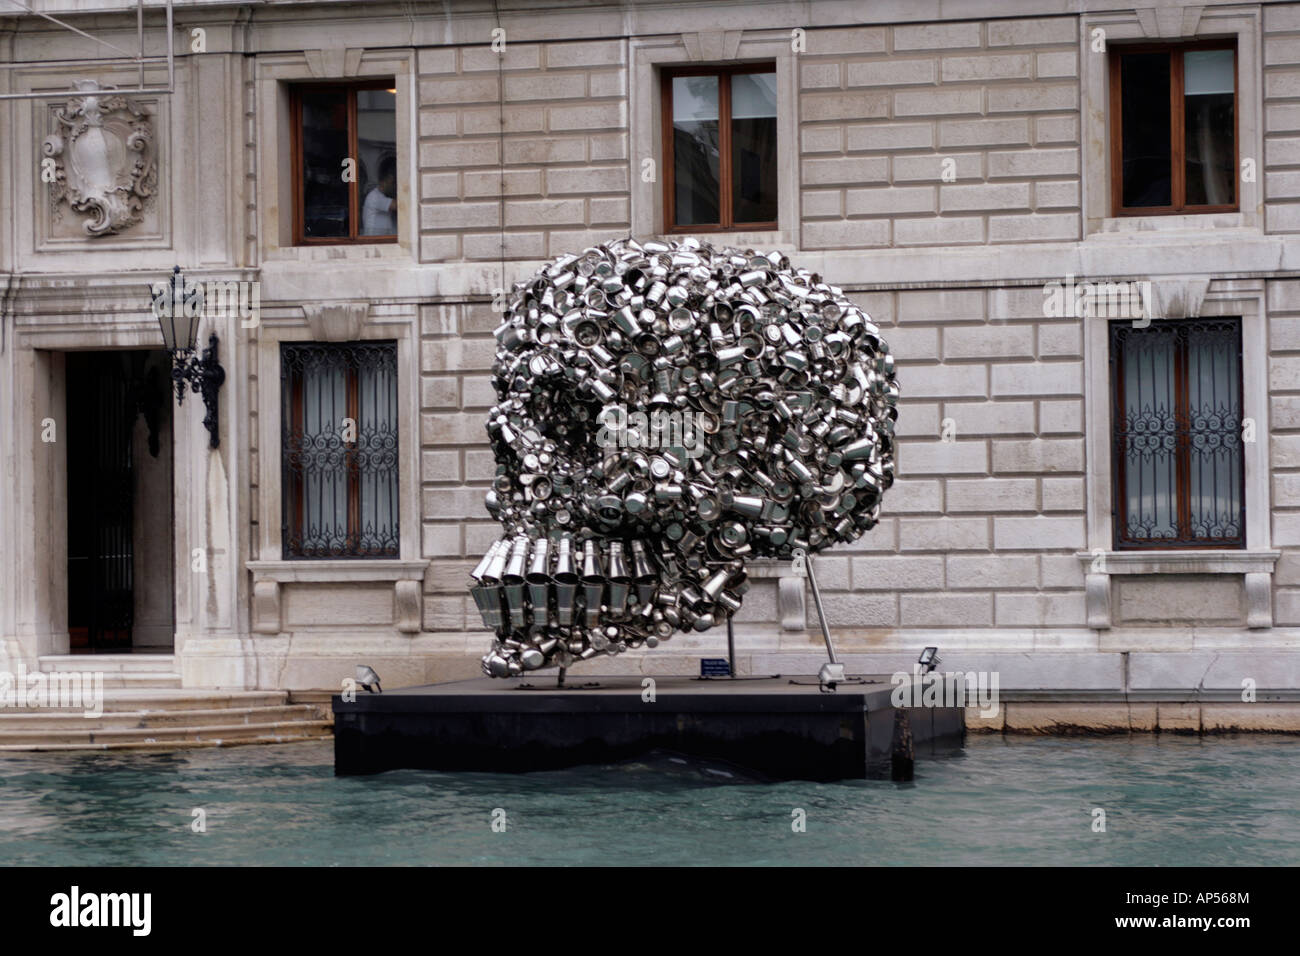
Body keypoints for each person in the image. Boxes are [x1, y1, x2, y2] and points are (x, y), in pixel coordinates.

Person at [362, 155, 397, 236]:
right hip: (373, 244)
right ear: (389, 179)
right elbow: (399, 205)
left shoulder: (382, 197)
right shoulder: (375, 197)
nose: (395, 187)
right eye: (394, 184)